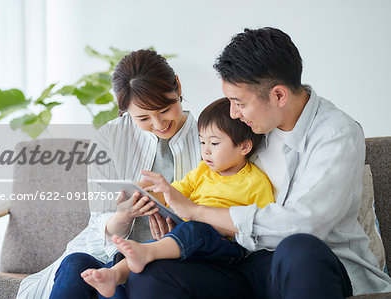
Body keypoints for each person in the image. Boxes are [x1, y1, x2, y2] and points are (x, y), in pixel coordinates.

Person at [125, 28, 391, 298]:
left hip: (315, 265)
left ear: (278, 95)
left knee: (298, 249)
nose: (233, 112)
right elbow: (217, 177)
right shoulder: (253, 127)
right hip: (247, 261)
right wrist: (162, 202)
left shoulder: (337, 134)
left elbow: (305, 225)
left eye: (238, 102)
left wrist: (196, 212)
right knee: (149, 277)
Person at [16, 49, 201, 299]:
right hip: (111, 252)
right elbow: (99, 222)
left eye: (165, 109)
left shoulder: (210, 137)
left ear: (177, 86)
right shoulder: (109, 137)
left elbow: (220, 211)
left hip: (176, 258)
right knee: (74, 265)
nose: (159, 125)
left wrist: (173, 236)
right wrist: (124, 215)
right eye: (143, 118)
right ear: (124, 109)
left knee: (133, 283)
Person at [80, 97, 274, 298]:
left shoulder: (255, 181)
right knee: (151, 246)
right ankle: (115, 274)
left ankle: (141, 257)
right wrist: (146, 193)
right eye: (202, 141)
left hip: (226, 246)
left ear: (244, 147)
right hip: (191, 237)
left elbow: (263, 226)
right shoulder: (202, 171)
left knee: (192, 229)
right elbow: (174, 193)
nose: (205, 150)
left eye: (214, 143)